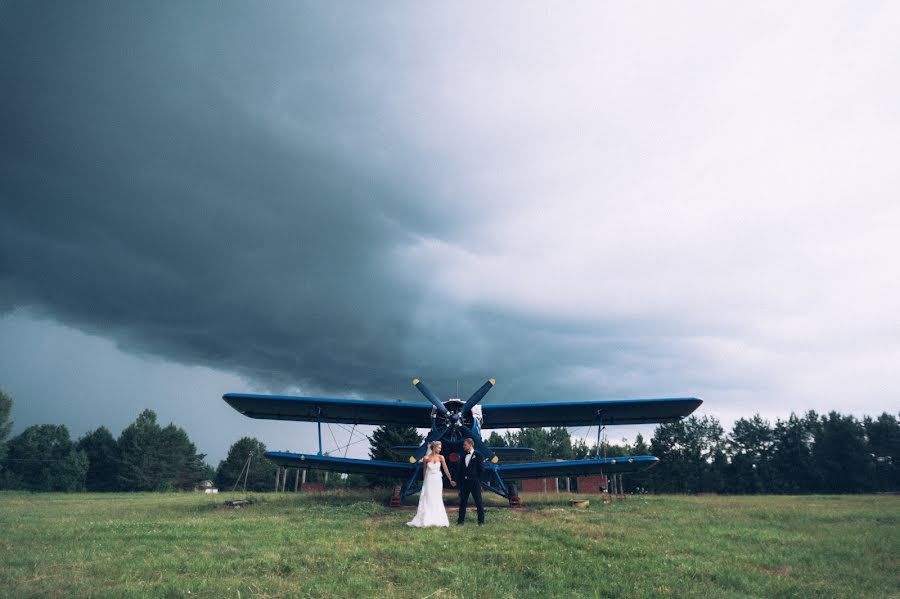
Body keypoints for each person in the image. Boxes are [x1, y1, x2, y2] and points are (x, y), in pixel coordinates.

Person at [407, 441, 455, 528]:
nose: (440, 449)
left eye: (440, 448)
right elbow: (424, 470)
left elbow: (445, 469)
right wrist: (424, 482)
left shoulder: (441, 457)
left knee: (437, 498)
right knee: (428, 498)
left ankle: (438, 519)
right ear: (434, 447)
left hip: (437, 480)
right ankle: (426, 518)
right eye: (439, 447)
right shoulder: (426, 458)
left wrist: (450, 479)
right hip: (429, 480)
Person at [456, 437, 485, 525]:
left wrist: (479, 482)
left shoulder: (478, 455)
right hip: (465, 483)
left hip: (475, 482)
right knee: (462, 502)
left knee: (478, 502)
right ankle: (460, 521)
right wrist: (460, 483)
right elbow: (461, 470)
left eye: (465, 445)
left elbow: (481, 470)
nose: (463, 446)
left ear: (470, 445)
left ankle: (481, 521)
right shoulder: (463, 455)